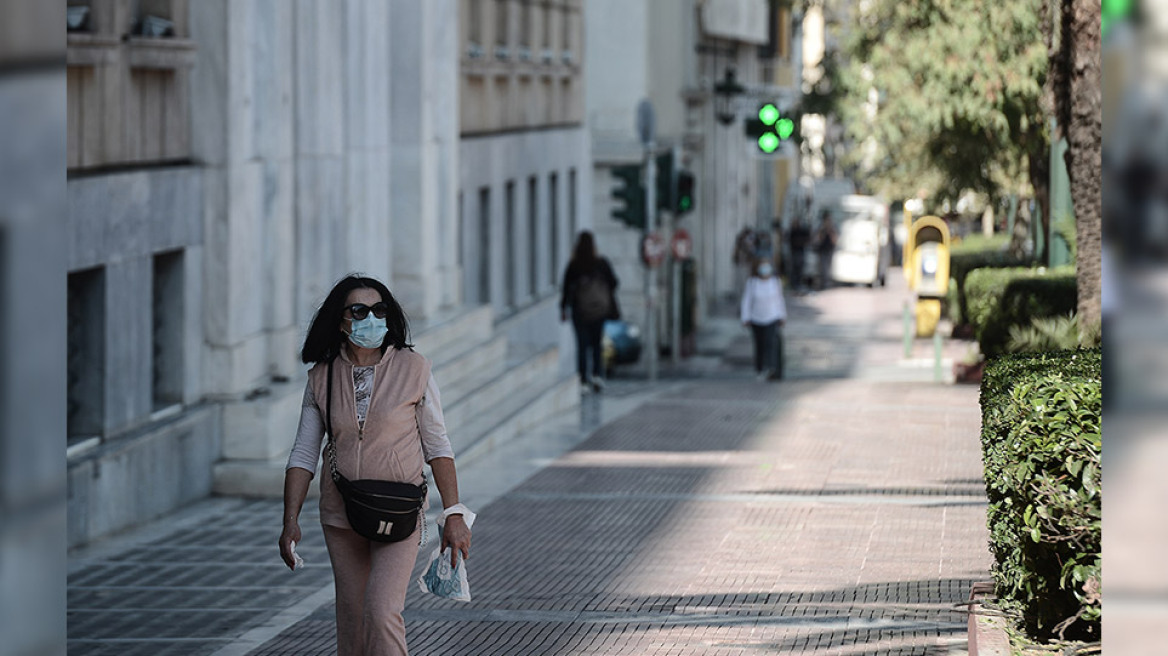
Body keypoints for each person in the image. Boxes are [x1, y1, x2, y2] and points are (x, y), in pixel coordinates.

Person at [278, 275, 472, 656]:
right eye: (360, 310)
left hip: (399, 510)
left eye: (379, 310)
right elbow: (303, 453)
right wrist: (290, 519)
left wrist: (454, 513)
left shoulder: (414, 369)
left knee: (382, 611)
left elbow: (438, 446)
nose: (372, 318)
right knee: (351, 620)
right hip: (342, 514)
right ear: (341, 321)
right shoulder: (322, 377)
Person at [560, 231, 619, 392]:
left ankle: (583, 381)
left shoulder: (574, 265)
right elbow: (614, 283)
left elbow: (565, 289)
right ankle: (597, 376)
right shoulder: (601, 263)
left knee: (582, 346)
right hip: (599, 312)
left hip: (580, 312)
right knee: (596, 345)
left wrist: (563, 309)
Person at [740, 259, 787, 381]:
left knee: (770, 343)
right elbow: (747, 301)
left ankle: (771, 368)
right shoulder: (752, 282)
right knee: (759, 344)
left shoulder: (775, 282)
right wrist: (746, 317)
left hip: (772, 316)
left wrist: (782, 315)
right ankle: (760, 368)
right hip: (756, 318)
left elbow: (779, 299)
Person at [814, 210, 838, 290]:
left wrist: (830, 231)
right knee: (823, 267)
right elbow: (819, 238)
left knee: (829, 267)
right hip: (822, 249)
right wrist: (824, 230)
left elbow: (834, 239)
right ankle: (823, 283)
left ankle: (827, 283)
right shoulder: (821, 227)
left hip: (830, 249)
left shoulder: (833, 227)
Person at [787, 216, 811, 293]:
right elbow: (790, 240)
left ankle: (798, 283)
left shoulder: (802, 230)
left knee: (799, 268)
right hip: (794, 252)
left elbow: (807, 238)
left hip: (800, 252)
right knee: (794, 268)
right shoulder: (792, 231)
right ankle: (794, 284)